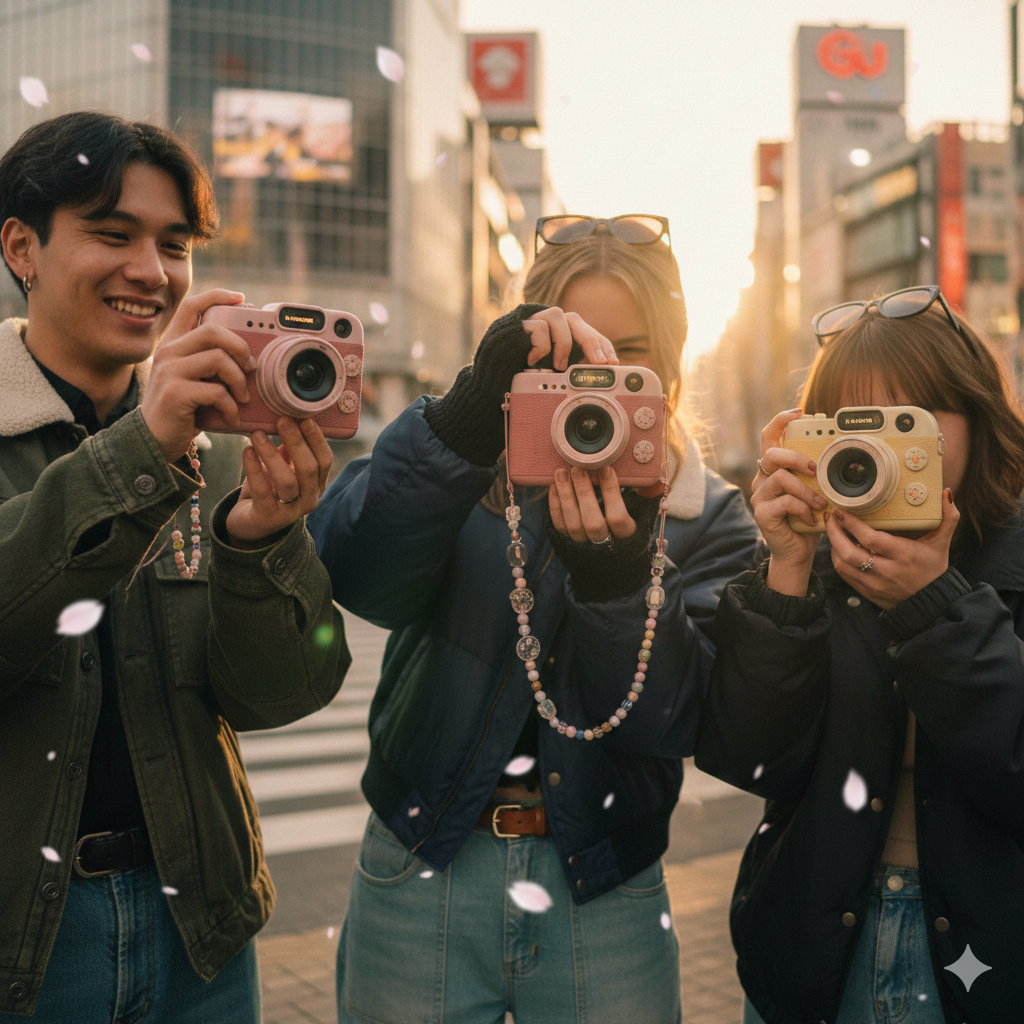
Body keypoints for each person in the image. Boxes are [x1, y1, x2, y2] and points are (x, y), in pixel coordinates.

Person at [308, 214, 760, 1023]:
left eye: (633, 356)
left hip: (604, 887)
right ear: (527, 351)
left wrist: (619, 580)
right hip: (425, 866)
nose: (601, 382)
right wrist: (467, 420)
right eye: (577, 354)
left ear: (674, 359)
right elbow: (359, 574)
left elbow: (673, 720)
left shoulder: (708, 515)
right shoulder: (464, 454)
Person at [0, 111, 350, 1021]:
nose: (151, 272)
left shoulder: (217, 446)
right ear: (21, 248)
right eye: (112, 234)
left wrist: (259, 540)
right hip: (21, 950)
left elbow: (287, 691)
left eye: (175, 243)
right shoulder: (172, 438)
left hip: (199, 932)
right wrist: (145, 447)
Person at [694, 287, 1024, 1024]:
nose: (880, 450)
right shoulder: (810, 561)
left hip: (987, 965)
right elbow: (750, 760)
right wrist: (783, 572)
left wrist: (936, 605)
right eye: (853, 424)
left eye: (910, 421)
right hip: (814, 953)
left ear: (978, 420)